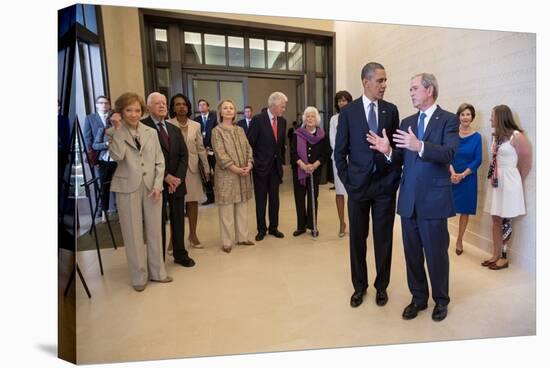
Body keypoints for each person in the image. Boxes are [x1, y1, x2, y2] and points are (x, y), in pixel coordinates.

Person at [371, 73, 458, 322]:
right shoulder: (407, 121)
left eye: (414, 88)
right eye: (410, 89)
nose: (410, 93)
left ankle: (441, 300)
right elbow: (402, 158)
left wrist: (419, 145)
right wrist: (388, 151)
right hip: (409, 200)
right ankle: (418, 297)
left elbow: (449, 153)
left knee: (436, 255)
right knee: (412, 255)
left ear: (429, 90)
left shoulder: (448, 120)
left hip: (434, 201)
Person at [334, 62, 401, 309]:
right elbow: (339, 152)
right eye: (380, 80)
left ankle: (381, 286)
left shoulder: (391, 111)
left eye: (385, 80)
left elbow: (397, 149)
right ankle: (359, 287)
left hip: (384, 186)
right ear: (366, 81)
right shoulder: (349, 112)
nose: (384, 85)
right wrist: (349, 182)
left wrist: (393, 176)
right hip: (358, 188)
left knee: (384, 239)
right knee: (358, 240)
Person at [106, 92, 172, 292]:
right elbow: (117, 156)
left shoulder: (150, 132)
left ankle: (158, 272)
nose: (133, 114)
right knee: (133, 234)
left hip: (152, 187)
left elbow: (160, 161)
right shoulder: (113, 131)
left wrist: (158, 185)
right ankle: (138, 277)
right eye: (128, 110)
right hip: (127, 187)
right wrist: (117, 129)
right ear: (120, 112)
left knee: (154, 231)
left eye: (136, 110)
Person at [142, 92, 195, 268]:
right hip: (155, 183)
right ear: (148, 107)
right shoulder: (142, 127)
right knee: (157, 222)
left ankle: (180, 254)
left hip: (176, 183)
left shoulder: (173, 128)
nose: (162, 106)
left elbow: (183, 154)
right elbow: (143, 158)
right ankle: (158, 260)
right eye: (157, 103)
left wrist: (178, 178)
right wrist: (166, 177)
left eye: (164, 103)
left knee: (179, 219)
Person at [483, 104, 532, 270]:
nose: (490, 119)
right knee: (495, 218)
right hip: (496, 180)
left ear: (501, 117)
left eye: (492, 115)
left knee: (506, 220)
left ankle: (504, 257)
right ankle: (495, 254)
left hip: (509, 181)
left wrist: (516, 182)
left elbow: (526, 163)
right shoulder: (496, 136)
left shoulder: (516, 137)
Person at [211, 99, 255, 252]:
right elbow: (220, 153)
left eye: (231, 108)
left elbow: (249, 148)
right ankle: (227, 242)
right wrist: (235, 168)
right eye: (225, 108)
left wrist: (249, 164)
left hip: (243, 173)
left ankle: (242, 237)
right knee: (227, 209)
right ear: (220, 112)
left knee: (242, 206)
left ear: (235, 112)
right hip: (226, 175)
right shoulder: (217, 131)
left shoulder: (240, 130)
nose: (229, 110)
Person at [168, 93, 210, 249]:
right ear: (173, 107)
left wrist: (206, 168)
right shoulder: (167, 124)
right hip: (175, 171)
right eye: (178, 104)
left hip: (192, 170)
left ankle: (193, 235)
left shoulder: (195, 125)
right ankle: (173, 239)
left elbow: (200, 148)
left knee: (192, 203)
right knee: (175, 206)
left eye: (184, 104)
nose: (181, 107)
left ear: (188, 107)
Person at [248, 92, 288, 241]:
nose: (284, 109)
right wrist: (255, 162)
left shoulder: (283, 122)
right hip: (261, 167)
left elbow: (281, 145)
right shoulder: (258, 120)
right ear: (274, 105)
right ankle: (261, 229)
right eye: (282, 106)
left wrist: (281, 162)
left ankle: (274, 227)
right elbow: (250, 142)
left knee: (275, 199)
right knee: (261, 199)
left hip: (276, 168)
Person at [291, 107, 330, 237]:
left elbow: (326, 153)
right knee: (299, 198)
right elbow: (293, 153)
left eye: (312, 116)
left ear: (317, 119)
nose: (310, 119)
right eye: (307, 116)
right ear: (304, 119)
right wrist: (302, 164)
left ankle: (313, 226)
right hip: (300, 171)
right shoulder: (297, 133)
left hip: (315, 171)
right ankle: (301, 227)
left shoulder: (322, 135)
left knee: (313, 199)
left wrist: (315, 164)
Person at [449, 103, 482, 255]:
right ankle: (442, 238)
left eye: (468, 114)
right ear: (459, 117)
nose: (465, 117)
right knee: (444, 208)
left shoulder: (477, 137)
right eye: (462, 114)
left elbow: (478, 159)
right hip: (450, 175)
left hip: (467, 178)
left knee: (465, 211)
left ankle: (460, 240)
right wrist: (452, 173)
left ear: (472, 117)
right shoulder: (452, 134)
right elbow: (446, 153)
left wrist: (462, 175)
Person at [83, 95, 115, 219]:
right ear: (96, 105)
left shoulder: (113, 118)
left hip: (115, 157)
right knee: (101, 183)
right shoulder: (90, 118)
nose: (104, 105)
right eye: (101, 103)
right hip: (99, 156)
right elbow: (87, 138)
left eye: (106, 103)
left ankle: (117, 208)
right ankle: (101, 210)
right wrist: (92, 156)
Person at [329, 90, 353, 237]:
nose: (342, 103)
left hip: (354, 161)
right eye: (339, 101)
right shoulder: (334, 119)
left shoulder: (355, 116)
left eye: (344, 100)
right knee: (339, 193)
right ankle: (341, 224)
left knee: (353, 193)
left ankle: (354, 222)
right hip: (338, 160)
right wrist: (342, 155)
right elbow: (333, 140)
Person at [196, 99, 217, 205]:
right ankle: (210, 197)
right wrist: (202, 149)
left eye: (204, 104)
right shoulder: (196, 120)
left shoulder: (214, 118)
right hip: (201, 152)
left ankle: (220, 195)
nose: (202, 106)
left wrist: (208, 147)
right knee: (206, 174)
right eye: (200, 105)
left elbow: (216, 134)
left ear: (208, 106)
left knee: (217, 172)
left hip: (213, 151)